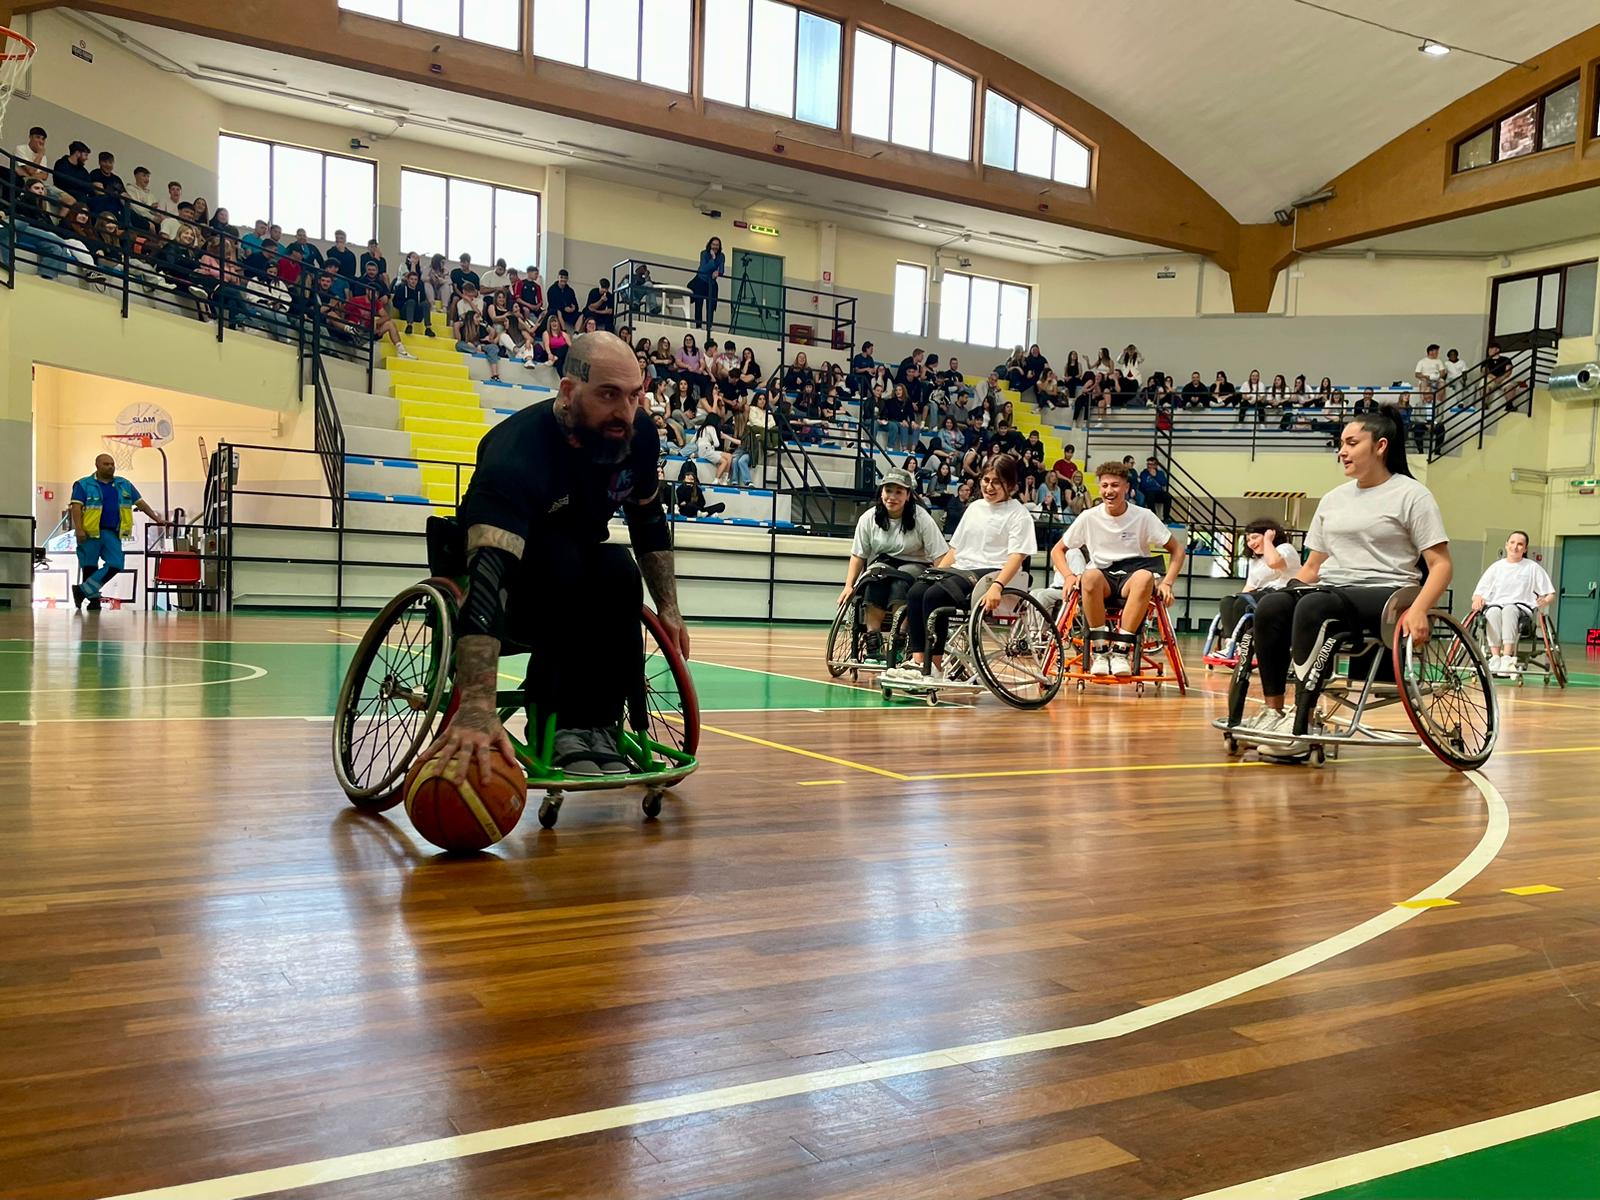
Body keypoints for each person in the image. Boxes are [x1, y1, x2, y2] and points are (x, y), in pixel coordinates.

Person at [418, 332, 688, 779]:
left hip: (578, 570)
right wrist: (478, 705)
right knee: (562, 562)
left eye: (633, 396)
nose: (625, 412)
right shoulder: (515, 453)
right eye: (608, 395)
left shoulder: (636, 437)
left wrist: (670, 608)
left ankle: (597, 725)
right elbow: (487, 580)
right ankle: (556, 724)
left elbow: (647, 518)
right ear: (568, 391)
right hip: (511, 592)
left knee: (619, 569)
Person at [1236, 408, 1451, 762]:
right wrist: (1281, 591)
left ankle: (1303, 723)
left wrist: (1419, 609)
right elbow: (1313, 567)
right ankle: (1274, 713)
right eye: (1341, 444)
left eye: (1351, 443)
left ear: (1380, 446)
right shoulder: (1334, 499)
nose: (1342, 451)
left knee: (1314, 605)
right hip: (1332, 589)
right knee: (1272, 605)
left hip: (1386, 593)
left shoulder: (1412, 495)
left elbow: (1441, 565)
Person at [882, 455, 1036, 685]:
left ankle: (934, 667)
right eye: (986, 480)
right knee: (917, 591)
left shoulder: (1018, 514)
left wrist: (997, 586)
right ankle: (918, 662)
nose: (989, 487)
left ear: (1011, 485)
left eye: (996, 482)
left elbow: (1017, 556)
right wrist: (933, 575)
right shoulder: (974, 508)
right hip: (962, 569)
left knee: (935, 596)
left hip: (992, 573)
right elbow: (955, 549)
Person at [1055, 461, 1187, 678]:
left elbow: (1178, 551)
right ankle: (1100, 651)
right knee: (1089, 576)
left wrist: (1167, 583)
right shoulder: (1089, 516)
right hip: (1102, 579)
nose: (1109, 491)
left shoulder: (1144, 516)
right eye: (1105, 485)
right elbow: (1057, 550)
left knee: (1145, 577)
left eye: (1115, 485)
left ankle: (1121, 651)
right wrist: (1068, 576)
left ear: (1126, 487)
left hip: (1132, 577)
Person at [838, 468, 949, 668]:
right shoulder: (869, 518)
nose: (892, 497)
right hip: (884, 561)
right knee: (873, 580)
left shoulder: (921, 518)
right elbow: (858, 554)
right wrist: (848, 585)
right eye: (888, 490)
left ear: (908, 495)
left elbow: (940, 555)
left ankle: (899, 640)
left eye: (899, 492)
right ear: (881, 492)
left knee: (900, 582)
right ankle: (873, 643)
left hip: (916, 562)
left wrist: (938, 584)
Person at [69, 452, 166, 610]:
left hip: (112, 532)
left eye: (112, 464)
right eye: (106, 464)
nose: (110, 467)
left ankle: (82, 591)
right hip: (89, 532)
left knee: (116, 564)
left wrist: (157, 519)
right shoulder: (83, 484)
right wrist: (79, 529)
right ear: (97, 465)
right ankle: (93, 602)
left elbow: (140, 504)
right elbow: (76, 507)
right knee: (89, 566)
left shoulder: (124, 484)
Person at [1470, 531, 1555, 675]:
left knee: (1509, 609)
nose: (1515, 547)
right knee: (1493, 611)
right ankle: (1495, 658)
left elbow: (1551, 594)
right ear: (1506, 545)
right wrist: (1477, 599)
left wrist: (1545, 600)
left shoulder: (1532, 567)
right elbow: (1478, 593)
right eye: (1512, 543)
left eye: (1520, 544)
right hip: (1496, 605)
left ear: (1525, 549)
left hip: (1521, 608)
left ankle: (1507, 658)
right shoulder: (1496, 567)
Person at [1214, 518, 1300, 645]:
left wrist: (1268, 541)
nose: (1251, 543)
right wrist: (1237, 598)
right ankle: (1231, 643)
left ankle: (1241, 644)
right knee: (1227, 601)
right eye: (1248, 540)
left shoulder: (1285, 549)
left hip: (1284, 594)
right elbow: (1250, 585)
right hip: (1263, 593)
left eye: (1255, 537)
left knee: (1243, 603)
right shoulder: (1255, 560)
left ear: (1270, 534)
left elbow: (1274, 563)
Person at [689, 236, 725, 333]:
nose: (715, 247)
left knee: (711, 305)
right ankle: (698, 326)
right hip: (701, 281)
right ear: (710, 245)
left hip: (711, 283)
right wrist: (713, 259)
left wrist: (718, 272)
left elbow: (722, 269)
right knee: (699, 304)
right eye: (713, 244)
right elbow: (703, 269)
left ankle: (709, 326)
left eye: (717, 245)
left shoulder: (721, 256)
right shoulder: (704, 253)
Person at [392, 268, 431, 336]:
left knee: (425, 303)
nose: (413, 281)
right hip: (405, 313)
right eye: (411, 279)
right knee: (411, 302)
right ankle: (409, 326)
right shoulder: (402, 288)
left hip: (417, 315)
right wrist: (404, 304)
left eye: (415, 279)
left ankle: (428, 328)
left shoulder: (420, 290)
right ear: (408, 280)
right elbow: (395, 302)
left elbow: (422, 301)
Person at [1137, 456, 1172, 521]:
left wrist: (1155, 476)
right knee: (1150, 495)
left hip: (1158, 492)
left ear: (1155, 465)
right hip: (1148, 492)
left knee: (1168, 496)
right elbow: (1143, 485)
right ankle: (1154, 517)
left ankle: (1166, 517)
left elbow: (1163, 483)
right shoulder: (1144, 473)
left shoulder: (1160, 473)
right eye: (1148, 464)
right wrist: (1152, 486)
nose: (1149, 466)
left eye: (1151, 464)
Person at [1414, 343, 1444, 410]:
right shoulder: (1421, 362)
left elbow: (1443, 372)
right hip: (1425, 379)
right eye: (1436, 352)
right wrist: (1426, 377)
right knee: (1424, 381)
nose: (1437, 353)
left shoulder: (1439, 361)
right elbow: (1417, 374)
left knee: (1442, 383)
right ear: (1430, 352)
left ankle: (1437, 403)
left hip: (1436, 379)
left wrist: (1437, 376)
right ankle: (1422, 402)